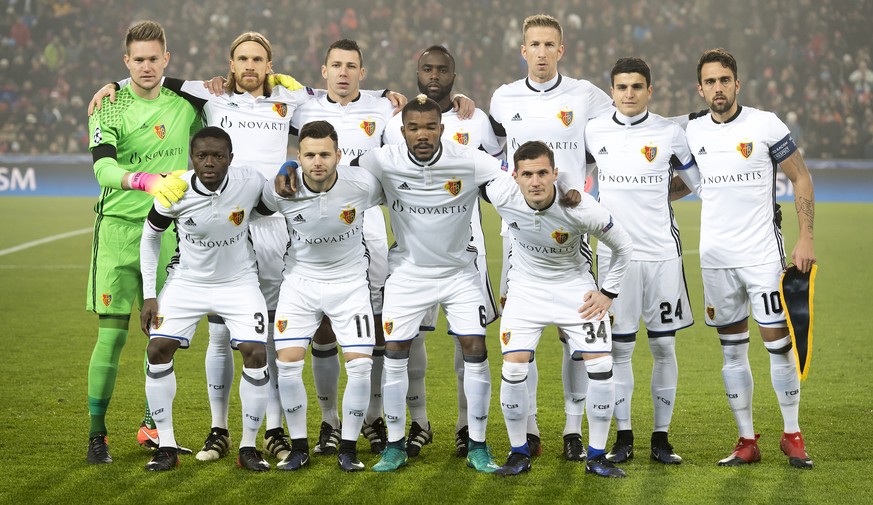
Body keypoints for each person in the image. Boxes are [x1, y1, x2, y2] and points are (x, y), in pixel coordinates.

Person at [89, 32, 403, 462]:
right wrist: (113, 85)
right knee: (220, 332)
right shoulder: (211, 95)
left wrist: (385, 93)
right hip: (224, 220)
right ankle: (219, 430)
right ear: (230, 64)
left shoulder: (290, 100)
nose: (250, 66)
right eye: (242, 59)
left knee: (268, 332)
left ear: (269, 64)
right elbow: (157, 78)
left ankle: (273, 428)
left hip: (271, 218)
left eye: (258, 59)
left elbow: (336, 96)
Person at [277, 95, 509, 473]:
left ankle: (478, 445)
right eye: (414, 128)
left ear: (442, 129)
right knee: (396, 349)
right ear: (402, 132)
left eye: (430, 127)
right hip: (408, 272)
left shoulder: (467, 158)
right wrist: (290, 163)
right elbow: (336, 168)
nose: (422, 134)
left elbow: (505, 174)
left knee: (475, 347)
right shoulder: (383, 158)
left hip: (458, 272)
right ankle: (396, 445)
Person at [488, 13, 614, 461]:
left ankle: (573, 428)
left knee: (574, 338)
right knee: (522, 331)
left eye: (549, 45)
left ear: (561, 50)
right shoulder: (503, 99)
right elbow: (488, 146)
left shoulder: (585, 95)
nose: (541, 52)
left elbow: (620, 126)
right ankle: (532, 430)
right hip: (518, 232)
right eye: (534, 45)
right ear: (523, 51)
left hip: (570, 228)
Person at [685, 48, 815, 468]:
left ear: (736, 84)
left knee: (778, 346)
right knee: (731, 351)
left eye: (725, 80)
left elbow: (801, 176)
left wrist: (805, 238)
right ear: (700, 88)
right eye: (710, 82)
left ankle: (792, 434)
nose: (718, 88)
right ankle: (746, 440)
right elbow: (680, 182)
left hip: (762, 256)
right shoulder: (691, 131)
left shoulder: (764, 124)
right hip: (716, 259)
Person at [85, 20, 198, 465]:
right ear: (126, 61)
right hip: (117, 232)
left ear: (166, 60)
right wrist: (148, 180)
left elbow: (238, 103)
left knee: (162, 338)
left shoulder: (187, 103)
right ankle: (97, 435)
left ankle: (152, 427)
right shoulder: (108, 105)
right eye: (138, 60)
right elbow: (103, 171)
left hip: (168, 233)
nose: (147, 66)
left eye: (154, 58)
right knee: (111, 339)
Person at [483, 140, 633, 477]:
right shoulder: (501, 193)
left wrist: (608, 292)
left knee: (602, 365)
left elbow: (623, 246)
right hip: (525, 290)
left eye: (542, 174)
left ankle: (596, 456)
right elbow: (476, 165)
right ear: (515, 176)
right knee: (515, 368)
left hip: (574, 289)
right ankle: (519, 452)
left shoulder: (581, 208)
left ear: (554, 174)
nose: (534, 182)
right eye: (527, 175)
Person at [383, 45, 504, 458]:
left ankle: (467, 430)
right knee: (408, 343)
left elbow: (501, 176)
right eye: (427, 68)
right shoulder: (394, 120)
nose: (434, 75)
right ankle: (415, 427)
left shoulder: (475, 122)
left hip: (464, 249)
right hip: (412, 252)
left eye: (443, 69)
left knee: (467, 344)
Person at [585, 57, 701, 465]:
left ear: (650, 90)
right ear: (612, 90)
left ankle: (661, 438)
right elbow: (573, 174)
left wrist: (659, 198)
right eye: (622, 87)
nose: (629, 94)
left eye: (637, 87)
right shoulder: (593, 129)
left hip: (662, 256)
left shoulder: (669, 133)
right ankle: (624, 437)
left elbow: (696, 181)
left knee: (664, 346)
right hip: (615, 256)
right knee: (619, 351)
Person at [139, 126, 273, 472]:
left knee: (256, 353)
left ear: (230, 158)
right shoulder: (175, 190)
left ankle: (248, 447)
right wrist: (150, 295)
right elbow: (150, 237)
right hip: (188, 282)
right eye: (202, 156)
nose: (209, 162)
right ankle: (166, 446)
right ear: (192, 158)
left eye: (218, 156)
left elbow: (273, 205)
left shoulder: (249, 181)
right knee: (157, 349)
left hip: (239, 281)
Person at [288, 39, 395, 456]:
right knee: (323, 327)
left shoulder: (383, 107)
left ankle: (372, 416)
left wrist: (458, 100)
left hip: (368, 224)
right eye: (337, 65)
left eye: (352, 66)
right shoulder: (302, 106)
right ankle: (329, 421)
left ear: (362, 74)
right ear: (324, 71)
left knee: (375, 329)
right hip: (318, 226)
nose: (344, 72)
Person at [261, 121, 385, 472]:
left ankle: (348, 447)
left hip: (349, 286)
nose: (318, 161)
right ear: (297, 156)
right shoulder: (281, 188)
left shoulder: (361, 184)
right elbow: (256, 210)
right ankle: (299, 448)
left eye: (325, 154)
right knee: (287, 367)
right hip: (300, 285)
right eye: (310, 155)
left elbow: (401, 194)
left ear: (338, 155)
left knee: (360, 367)